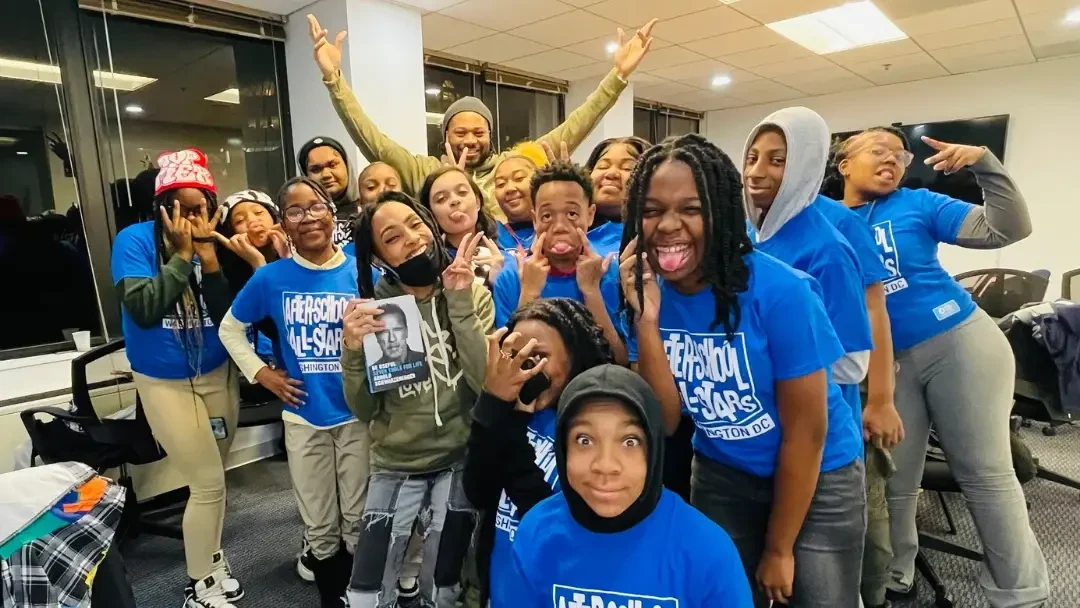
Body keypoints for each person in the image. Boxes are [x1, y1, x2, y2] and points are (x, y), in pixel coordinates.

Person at [620, 134, 865, 608]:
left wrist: (779, 548)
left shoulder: (782, 291)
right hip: (723, 473)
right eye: (651, 210)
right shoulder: (645, 290)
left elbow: (807, 433)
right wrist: (646, 322)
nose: (668, 225)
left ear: (722, 211)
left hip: (818, 478)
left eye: (691, 209)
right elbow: (665, 421)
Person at [825, 126, 1048, 607]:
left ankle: (1021, 593)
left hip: (959, 342)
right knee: (895, 477)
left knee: (984, 474)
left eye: (900, 156)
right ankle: (895, 572)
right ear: (844, 164)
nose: (892, 160)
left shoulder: (918, 204)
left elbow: (1008, 228)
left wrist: (984, 163)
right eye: (878, 151)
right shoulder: (824, 219)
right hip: (887, 364)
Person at [306, 13, 657, 223]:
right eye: (460, 132)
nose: (470, 140)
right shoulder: (426, 171)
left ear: (490, 135)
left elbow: (578, 123)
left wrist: (617, 78)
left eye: (478, 132)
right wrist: (334, 79)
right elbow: (373, 140)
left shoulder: (515, 164)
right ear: (445, 135)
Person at [217, 177, 368, 608]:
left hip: (358, 415)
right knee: (319, 525)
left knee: (359, 520)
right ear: (284, 223)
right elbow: (230, 330)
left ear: (332, 213)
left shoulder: (363, 271)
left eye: (316, 206)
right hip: (303, 416)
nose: (308, 218)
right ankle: (331, 598)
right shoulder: (271, 278)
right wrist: (262, 374)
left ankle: (362, 596)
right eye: (295, 211)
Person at [341, 190, 493, 608]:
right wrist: (352, 352)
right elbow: (364, 410)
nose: (411, 238)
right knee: (367, 595)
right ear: (378, 258)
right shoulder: (376, 312)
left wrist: (459, 302)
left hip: (459, 457)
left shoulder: (473, 293)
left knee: (443, 588)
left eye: (414, 223)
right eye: (392, 237)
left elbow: (485, 383)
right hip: (396, 462)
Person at [499, 364, 753, 607]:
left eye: (630, 441)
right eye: (584, 440)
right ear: (564, 449)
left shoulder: (708, 551)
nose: (605, 465)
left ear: (653, 450)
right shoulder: (537, 533)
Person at [110, 149, 244, 608]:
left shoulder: (217, 242)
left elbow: (230, 317)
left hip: (216, 372)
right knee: (207, 483)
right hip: (163, 380)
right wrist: (182, 256)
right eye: (179, 207)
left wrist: (208, 258)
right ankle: (200, 583)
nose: (189, 217)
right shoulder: (134, 241)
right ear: (161, 206)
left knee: (216, 479)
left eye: (198, 206)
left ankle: (211, 557)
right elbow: (144, 308)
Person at [462, 298, 615, 607]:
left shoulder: (590, 430)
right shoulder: (511, 411)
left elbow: (548, 521)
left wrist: (510, 428)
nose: (527, 369)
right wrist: (493, 403)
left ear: (574, 358)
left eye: (540, 357)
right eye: (516, 357)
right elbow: (478, 491)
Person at [492, 161, 627, 365]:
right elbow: (507, 363)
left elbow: (620, 360)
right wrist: (529, 294)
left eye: (572, 214)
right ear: (535, 219)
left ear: (590, 215)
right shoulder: (512, 277)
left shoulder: (609, 272)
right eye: (547, 216)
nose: (559, 227)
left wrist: (592, 292)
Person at [418, 165, 503, 285]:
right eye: (441, 199)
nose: (454, 200)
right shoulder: (430, 266)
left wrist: (501, 281)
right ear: (430, 213)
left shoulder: (506, 248)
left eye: (462, 192)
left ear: (477, 202)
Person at [583, 136, 650, 256]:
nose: (611, 173)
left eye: (627, 168)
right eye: (603, 166)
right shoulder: (560, 233)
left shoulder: (657, 242)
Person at [491, 143, 547, 251]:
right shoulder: (491, 235)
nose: (509, 188)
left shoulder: (557, 227)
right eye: (501, 184)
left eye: (519, 178)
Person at [371, 302, 426, 367]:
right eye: (384, 332)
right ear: (377, 336)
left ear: (406, 332)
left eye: (397, 329)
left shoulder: (426, 360)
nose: (392, 339)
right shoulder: (372, 370)